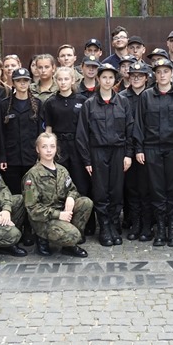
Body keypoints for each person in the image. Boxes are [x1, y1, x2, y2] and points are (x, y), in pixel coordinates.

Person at [77, 64, 134, 247]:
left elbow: (130, 130)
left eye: (110, 77)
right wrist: (87, 160)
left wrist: (128, 154)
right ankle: (104, 227)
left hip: (118, 151)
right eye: (104, 77)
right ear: (98, 79)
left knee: (116, 191)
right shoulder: (89, 104)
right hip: (97, 152)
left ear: (114, 80)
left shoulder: (123, 102)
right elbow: (82, 135)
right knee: (101, 191)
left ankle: (114, 225)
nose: (107, 81)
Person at [134, 57, 173, 248]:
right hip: (152, 149)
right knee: (156, 190)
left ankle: (172, 230)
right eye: (158, 72)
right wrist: (139, 149)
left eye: (166, 71)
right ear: (154, 76)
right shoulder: (146, 96)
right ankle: (161, 231)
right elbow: (139, 125)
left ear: (172, 74)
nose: (162, 75)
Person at [23, 132, 92, 257]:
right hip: (43, 219)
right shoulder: (31, 176)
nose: (49, 150)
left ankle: (69, 246)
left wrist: (71, 197)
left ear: (56, 148)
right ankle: (42, 238)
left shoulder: (62, 170)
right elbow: (32, 208)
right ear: (38, 149)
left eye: (52, 146)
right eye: (44, 147)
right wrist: (59, 215)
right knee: (73, 235)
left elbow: (72, 189)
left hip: (62, 212)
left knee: (86, 203)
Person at [42, 67, 91, 240]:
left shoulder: (82, 100)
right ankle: (63, 225)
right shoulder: (50, 102)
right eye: (60, 79)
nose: (63, 82)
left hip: (77, 146)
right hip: (59, 146)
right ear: (56, 81)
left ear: (73, 80)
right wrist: (47, 149)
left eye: (66, 79)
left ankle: (83, 225)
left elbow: (86, 127)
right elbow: (48, 128)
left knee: (81, 184)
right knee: (61, 186)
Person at [0, 67, 44, 201]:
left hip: (31, 157)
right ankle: (16, 214)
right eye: (18, 81)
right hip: (12, 158)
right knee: (15, 195)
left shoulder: (38, 104)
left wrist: (40, 156)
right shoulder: (4, 105)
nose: (22, 83)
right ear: (13, 83)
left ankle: (29, 214)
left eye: (25, 80)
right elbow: (0, 133)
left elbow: (41, 133)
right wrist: (2, 157)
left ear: (30, 82)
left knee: (30, 194)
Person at [119, 60, 152, 241]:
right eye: (133, 76)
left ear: (146, 78)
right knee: (131, 189)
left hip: (147, 149)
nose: (136, 79)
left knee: (146, 189)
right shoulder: (122, 97)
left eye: (140, 76)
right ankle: (135, 223)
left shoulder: (151, 95)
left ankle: (147, 225)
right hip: (128, 149)